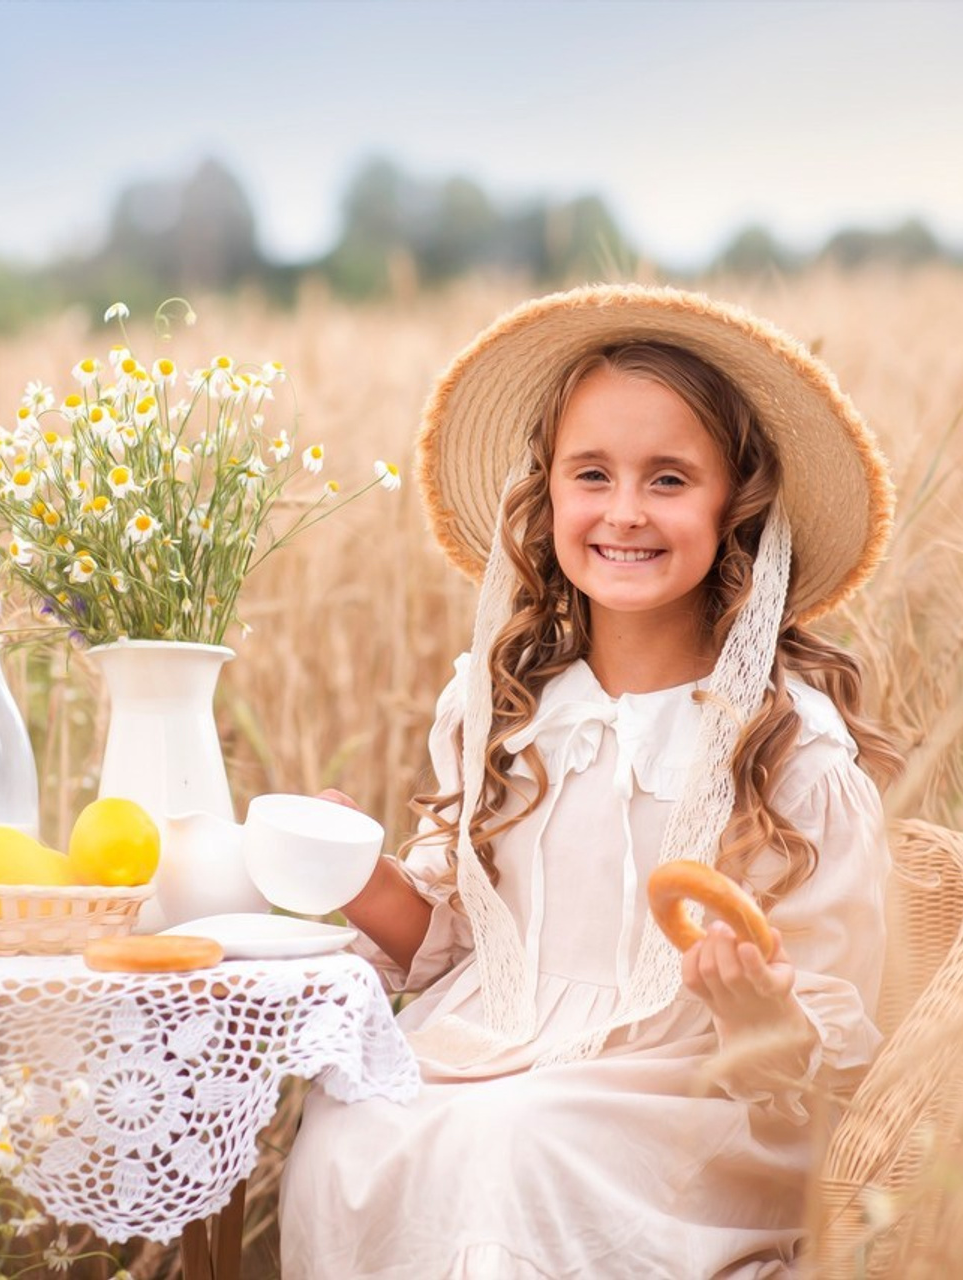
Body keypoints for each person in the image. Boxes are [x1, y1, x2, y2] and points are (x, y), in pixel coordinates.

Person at [278, 284, 901, 1279]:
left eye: (666, 479)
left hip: (692, 1094)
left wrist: (755, 1008)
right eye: (591, 474)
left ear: (733, 505)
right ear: (548, 494)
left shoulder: (788, 748)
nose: (622, 511)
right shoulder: (503, 707)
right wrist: (355, 871)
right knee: (352, 1122)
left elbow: (831, 1043)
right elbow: (457, 943)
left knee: (511, 1144)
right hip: (496, 1047)